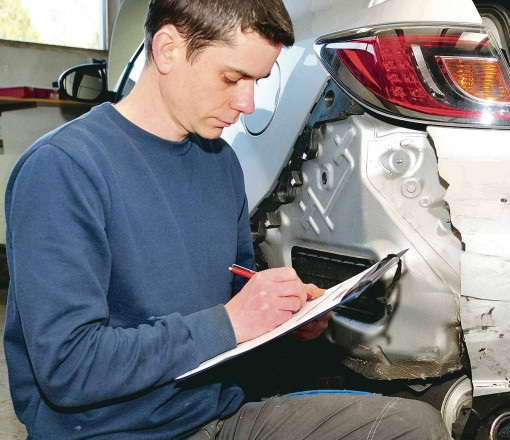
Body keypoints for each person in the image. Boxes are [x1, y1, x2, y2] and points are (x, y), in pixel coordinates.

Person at [3, 0, 450, 438]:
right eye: (232, 77)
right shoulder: (63, 169)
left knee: (413, 426)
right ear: (168, 49)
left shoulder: (220, 162)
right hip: (113, 432)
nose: (247, 102)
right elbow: (69, 367)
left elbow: (234, 291)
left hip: (215, 416)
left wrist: (285, 318)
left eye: (257, 81)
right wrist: (231, 322)